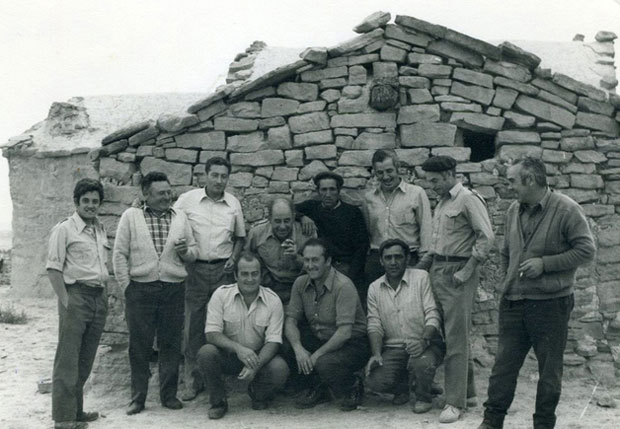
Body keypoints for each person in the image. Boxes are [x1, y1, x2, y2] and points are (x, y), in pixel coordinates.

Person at [477, 157, 595, 429]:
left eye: (512, 181)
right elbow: (506, 251)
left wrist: (545, 265)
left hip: (551, 305)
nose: (508, 187)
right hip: (514, 303)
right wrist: (507, 281)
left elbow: (587, 251)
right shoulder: (511, 211)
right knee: (502, 369)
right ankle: (491, 422)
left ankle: (543, 425)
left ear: (530, 180)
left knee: (549, 373)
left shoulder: (567, 209)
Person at [113, 172, 198, 415]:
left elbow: (193, 251)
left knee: (171, 344)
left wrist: (185, 252)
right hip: (140, 289)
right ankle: (138, 398)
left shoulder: (180, 217)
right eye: (161, 193)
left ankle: (168, 395)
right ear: (146, 195)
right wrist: (126, 286)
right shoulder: (131, 217)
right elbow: (119, 254)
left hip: (173, 289)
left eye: (169, 192)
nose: (167, 197)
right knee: (139, 346)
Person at [419, 155, 495, 424]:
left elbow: (486, 237)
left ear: (451, 174)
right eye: (429, 181)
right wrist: (426, 263)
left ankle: (454, 403)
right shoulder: (442, 202)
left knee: (455, 338)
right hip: (439, 269)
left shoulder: (467, 198)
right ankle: (469, 393)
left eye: (436, 180)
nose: (432, 186)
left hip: (458, 273)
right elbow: (441, 241)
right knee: (454, 333)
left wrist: (467, 270)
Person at [173, 156, 246, 401]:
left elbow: (240, 238)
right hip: (194, 270)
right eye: (214, 175)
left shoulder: (233, 203)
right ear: (205, 175)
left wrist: (234, 258)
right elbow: (172, 224)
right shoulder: (187, 200)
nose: (219, 180)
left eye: (223, 176)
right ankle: (193, 380)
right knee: (193, 325)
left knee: (224, 324)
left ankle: (220, 378)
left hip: (223, 271)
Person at [46, 178, 109, 429]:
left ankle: (76, 412)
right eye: (86, 201)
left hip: (97, 297)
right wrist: (66, 301)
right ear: (76, 202)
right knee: (68, 359)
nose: (91, 206)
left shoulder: (99, 229)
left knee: (85, 358)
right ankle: (63, 419)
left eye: (95, 201)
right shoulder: (64, 229)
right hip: (76, 297)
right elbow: (53, 268)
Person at [197, 252, 289, 419]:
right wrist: (238, 349)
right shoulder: (221, 295)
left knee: (279, 368)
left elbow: (274, 341)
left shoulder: (273, 300)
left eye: (254, 274)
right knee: (206, 352)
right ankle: (218, 402)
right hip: (229, 355)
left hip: (257, 357)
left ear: (261, 276)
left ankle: (258, 393)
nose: (250, 279)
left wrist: (255, 365)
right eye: (244, 274)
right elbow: (211, 333)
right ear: (235, 275)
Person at [284, 238, 369, 411]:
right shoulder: (300, 283)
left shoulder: (343, 285)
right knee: (287, 345)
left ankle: (352, 384)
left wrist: (316, 356)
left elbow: (344, 333)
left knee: (323, 363)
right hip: (321, 337)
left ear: (328, 261)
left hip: (352, 343)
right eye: (306, 260)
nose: (310, 265)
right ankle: (320, 387)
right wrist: (298, 349)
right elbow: (291, 320)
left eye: (315, 260)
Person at [365, 239, 445, 413]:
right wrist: (377, 354)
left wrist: (424, 341)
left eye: (398, 257)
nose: (393, 262)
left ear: (407, 258)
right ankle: (404, 387)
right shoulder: (374, 288)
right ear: (381, 261)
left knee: (422, 363)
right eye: (388, 258)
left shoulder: (421, 277)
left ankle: (424, 396)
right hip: (394, 348)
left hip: (426, 343)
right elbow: (374, 324)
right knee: (374, 380)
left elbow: (433, 313)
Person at [362, 149, 432, 290]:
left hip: (408, 259)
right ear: (375, 173)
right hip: (378, 261)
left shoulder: (416, 193)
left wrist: (422, 264)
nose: (386, 177)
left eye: (389, 171)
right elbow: (368, 231)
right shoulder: (368, 198)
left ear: (398, 169)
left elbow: (426, 230)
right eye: (380, 173)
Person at [296, 171, 369, 295]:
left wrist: (351, 277)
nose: (328, 194)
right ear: (318, 191)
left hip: (344, 267)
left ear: (339, 191)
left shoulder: (352, 213)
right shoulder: (312, 207)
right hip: (319, 265)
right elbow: (288, 209)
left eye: (332, 189)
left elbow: (361, 247)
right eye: (324, 190)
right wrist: (302, 217)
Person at [245, 197, 315, 304]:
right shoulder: (257, 234)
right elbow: (247, 259)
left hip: (301, 287)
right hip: (269, 287)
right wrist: (264, 277)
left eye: (287, 221)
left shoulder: (307, 234)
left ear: (294, 217)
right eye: (277, 221)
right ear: (269, 218)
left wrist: (297, 258)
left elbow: (317, 268)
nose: (282, 227)